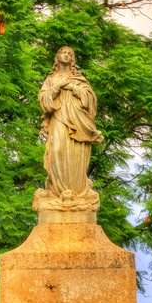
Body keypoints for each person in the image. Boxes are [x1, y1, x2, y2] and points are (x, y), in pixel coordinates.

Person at [37, 46, 103, 202]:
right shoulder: (51, 79)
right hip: (58, 117)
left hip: (77, 120)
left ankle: (76, 191)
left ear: (72, 59)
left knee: (76, 155)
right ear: (57, 57)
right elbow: (43, 98)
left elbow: (90, 99)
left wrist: (73, 87)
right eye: (63, 52)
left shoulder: (78, 78)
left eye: (69, 54)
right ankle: (58, 191)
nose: (66, 55)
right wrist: (58, 87)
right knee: (57, 150)